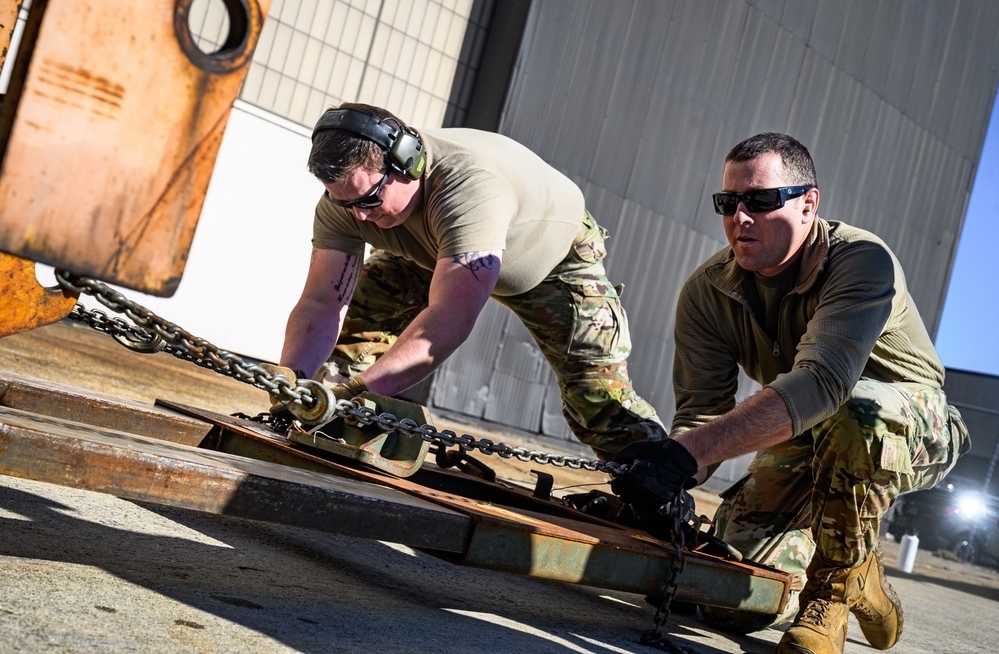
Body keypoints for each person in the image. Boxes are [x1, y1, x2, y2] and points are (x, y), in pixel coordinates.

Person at [611, 132, 970, 654]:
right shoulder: (707, 292)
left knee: (860, 412)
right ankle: (860, 571)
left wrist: (688, 452)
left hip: (912, 422)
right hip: (809, 430)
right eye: (727, 203)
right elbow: (702, 413)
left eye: (759, 200)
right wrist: (670, 475)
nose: (740, 217)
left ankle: (830, 594)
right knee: (725, 599)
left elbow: (825, 383)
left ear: (808, 204)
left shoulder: (862, 261)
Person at [269, 102, 663, 459]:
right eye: (344, 203)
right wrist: (291, 380)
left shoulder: (468, 191)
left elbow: (450, 317)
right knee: (358, 336)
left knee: (598, 398)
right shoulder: (352, 203)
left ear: (408, 162)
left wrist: (362, 391)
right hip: (427, 249)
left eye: (369, 200)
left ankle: (660, 478)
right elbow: (322, 301)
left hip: (551, 258)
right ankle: (328, 426)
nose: (359, 216)